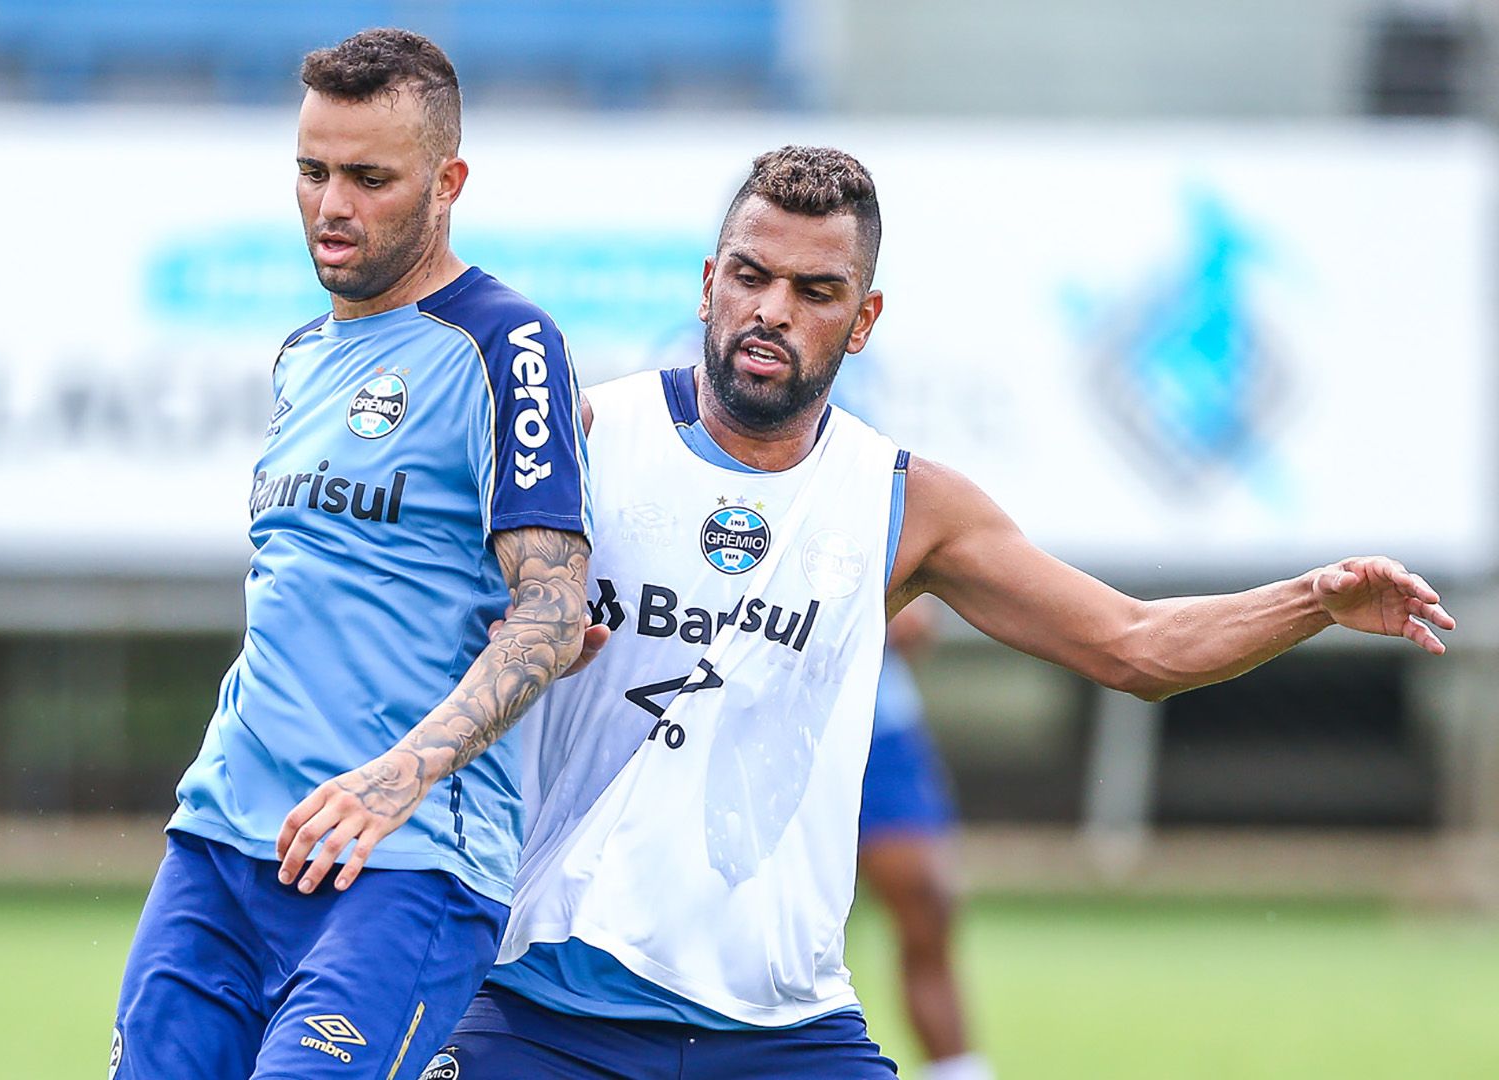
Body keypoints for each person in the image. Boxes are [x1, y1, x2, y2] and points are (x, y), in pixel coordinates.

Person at [432, 145, 1454, 1079]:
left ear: (864, 319)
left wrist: (1310, 601)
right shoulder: (585, 433)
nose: (773, 310)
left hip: (784, 1036)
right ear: (708, 283)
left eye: (815, 290)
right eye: (751, 276)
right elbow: (424, 617)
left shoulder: (905, 501)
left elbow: (1135, 646)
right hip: (544, 1008)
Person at [110, 29, 595, 1080]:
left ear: (447, 181)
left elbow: (555, 614)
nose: (333, 205)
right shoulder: (301, 356)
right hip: (222, 845)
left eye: (371, 178)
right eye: (313, 171)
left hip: (405, 863)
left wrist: (391, 780)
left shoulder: (504, 345)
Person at [861, 602, 992, 1080]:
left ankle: (957, 1072)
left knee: (928, 902)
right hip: (764, 729)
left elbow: (915, 625)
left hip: (880, 733)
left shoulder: (875, 523)